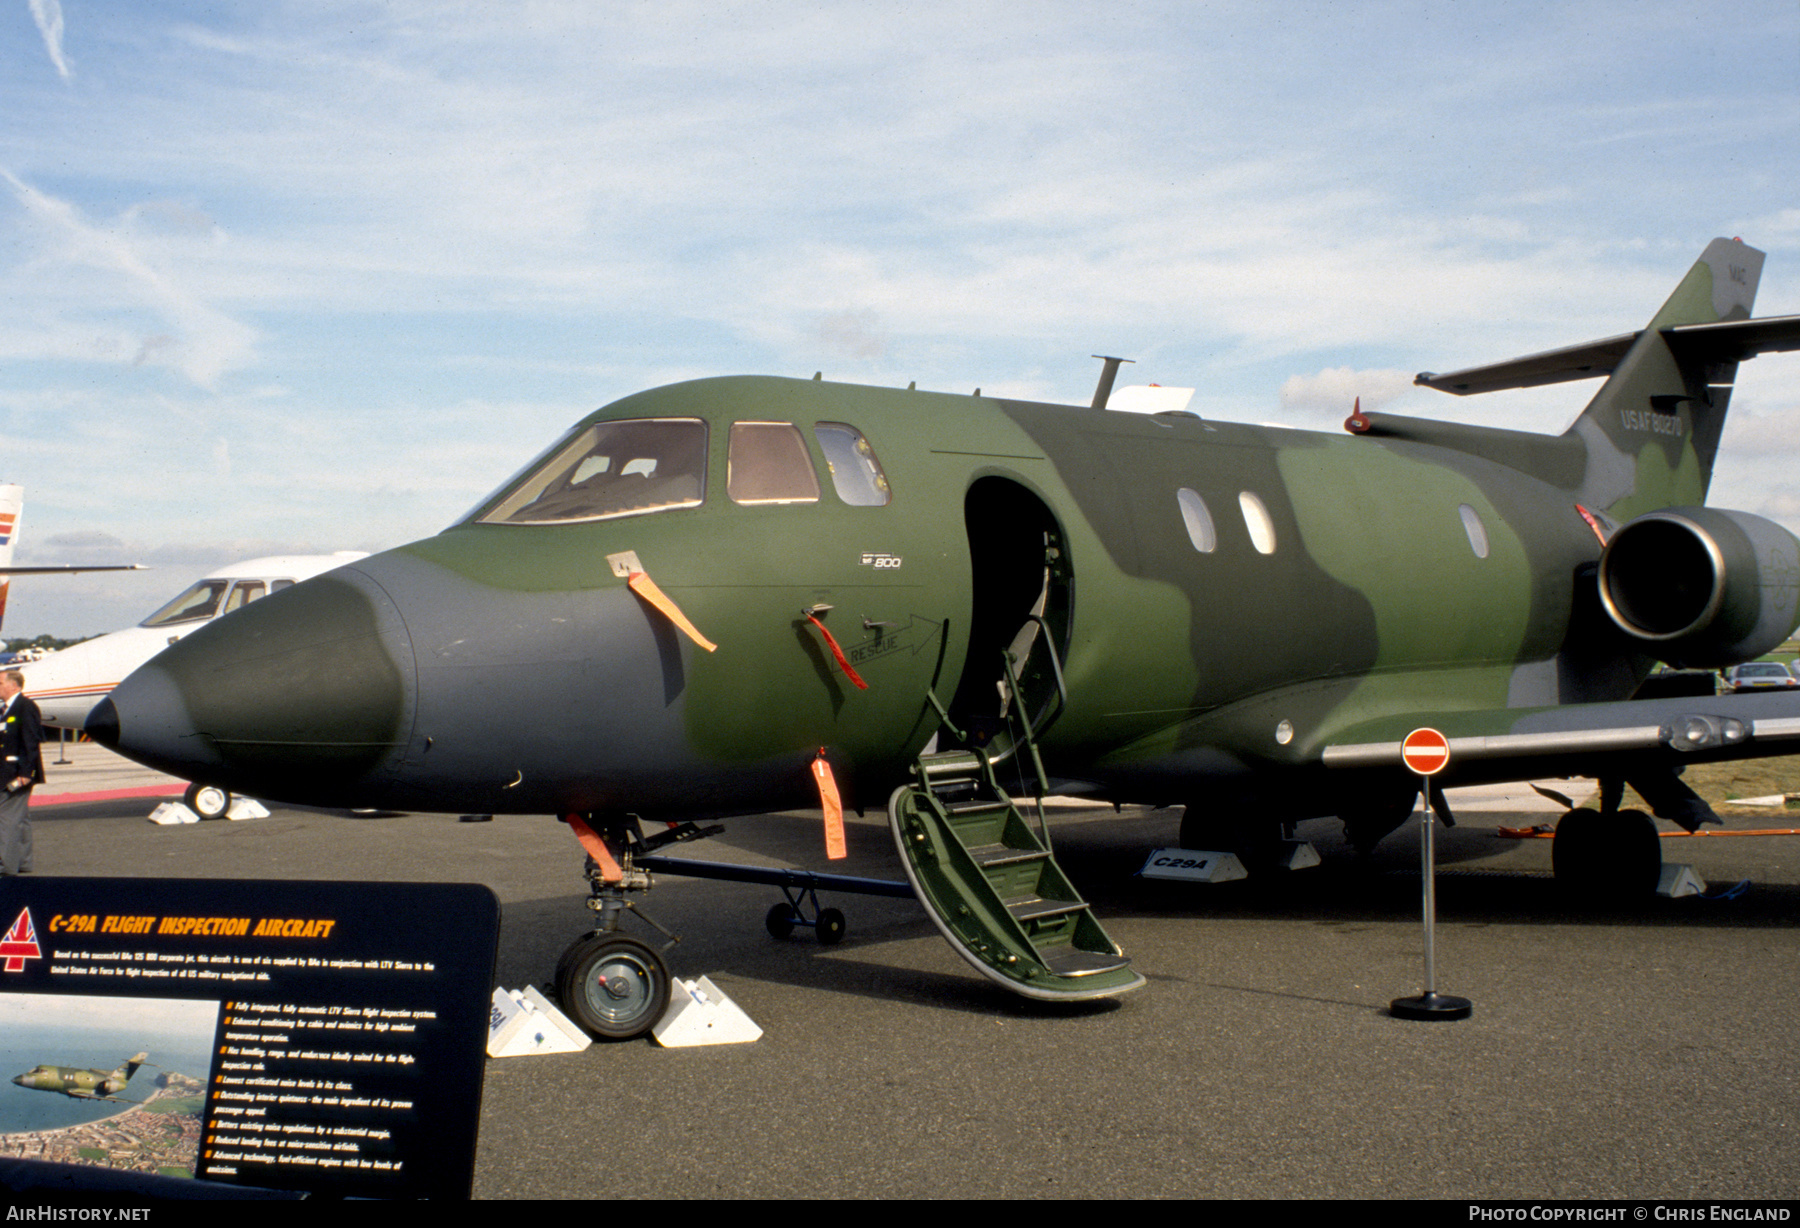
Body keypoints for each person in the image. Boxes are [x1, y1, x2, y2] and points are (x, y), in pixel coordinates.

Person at [0, 669, 45, 875]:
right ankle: (22, 863)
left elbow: (30, 741)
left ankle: (5, 867)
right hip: (7, 772)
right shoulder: (5, 710)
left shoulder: (25, 707)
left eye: (1, 683)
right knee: (20, 819)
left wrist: (26, 773)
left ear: (14, 686)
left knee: (6, 819)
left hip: (17, 774)